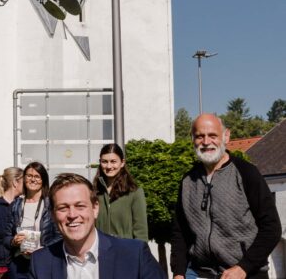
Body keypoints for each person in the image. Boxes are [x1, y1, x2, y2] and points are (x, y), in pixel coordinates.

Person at [170, 114, 281, 279]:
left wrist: (243, 267)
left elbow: (272, 228)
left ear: (226, 136)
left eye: (212, 135)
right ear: (192, 139)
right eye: (200, 136)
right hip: (199, 273)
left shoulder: (247, 173)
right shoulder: (188, 181)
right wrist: (178, 272)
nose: (206, 142)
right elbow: (180, 232)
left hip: (246, 273)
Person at [29, 173, 161, 279]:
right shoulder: (40, 263)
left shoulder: (134, 255)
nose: (72, 214)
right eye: (63, 208)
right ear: (53, 214)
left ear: (95, 208)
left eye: (80, 206)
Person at [11, 162, 60, 279]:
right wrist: (13, 241)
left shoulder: (50, 204)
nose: (33, 180)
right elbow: (6, 234)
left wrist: (43, 249)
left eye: (37, 176)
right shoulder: (16, 204)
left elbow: (60, 236)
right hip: (19, 264)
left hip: (44, 262)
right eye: (29, 176)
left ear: (43, 180)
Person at [93, 143, 147, 241]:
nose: (109, 166)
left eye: (113, 161)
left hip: (125, 252)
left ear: (122, 163)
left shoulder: (134, 193)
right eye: (104, 162)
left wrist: (139, 254)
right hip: (100, 252)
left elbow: (141, 231)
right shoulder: (94, 192)